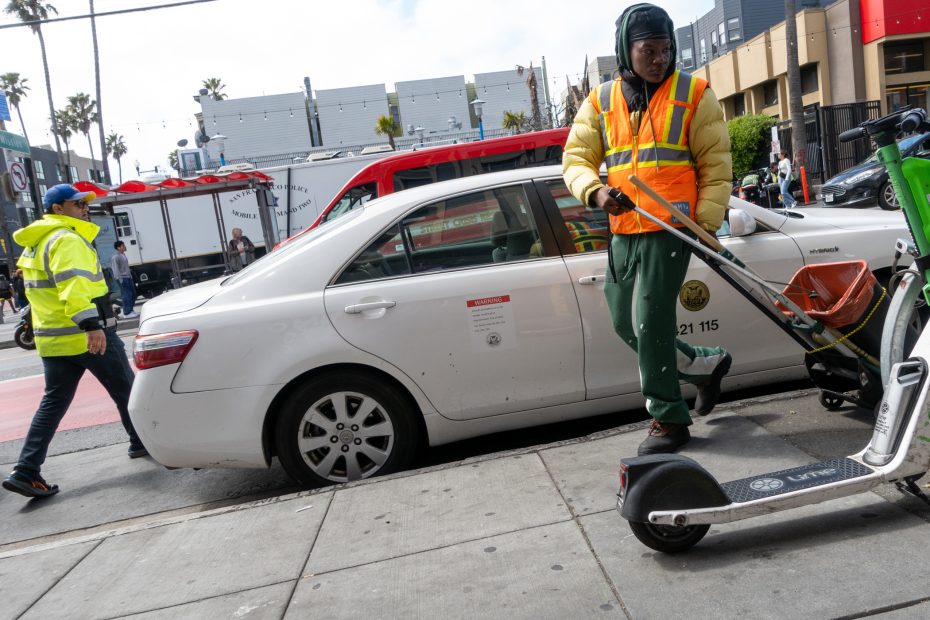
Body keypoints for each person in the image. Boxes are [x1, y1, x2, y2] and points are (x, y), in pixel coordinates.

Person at [562, 3, 733, 455]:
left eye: (666, 49)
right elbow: (576, 159)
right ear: (625, 50)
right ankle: (705, 365)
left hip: (670, 229)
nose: (659, 58)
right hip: (624, 229)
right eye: (648, 50)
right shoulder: (600, 101)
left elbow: (716, 168)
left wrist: (705, 225)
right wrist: (595, 193)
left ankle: (668, 418)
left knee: (651, 320)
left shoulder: (695, 94)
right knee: (625, 322)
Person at [2, 184, 147, 500]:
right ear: (58, 208)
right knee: (127, 390)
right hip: (86, 336)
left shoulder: (36, 243)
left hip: (54, 340)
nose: (85, 208)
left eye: (86, 204)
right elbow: (72, 286)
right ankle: (143, 441)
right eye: (77, 203)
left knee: (53, 404)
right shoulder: (66, 239)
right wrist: (91, 325)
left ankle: (26, 470)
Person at [110, 241, 138, 319]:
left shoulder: (123, 255)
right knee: (127, 295)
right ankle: (127, 312)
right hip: (122, 278)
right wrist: (120, 279)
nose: (125, 246)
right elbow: (115, 269)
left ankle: (130, 310)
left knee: (133, 294)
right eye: (123, 245)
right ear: (118, 247)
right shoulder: (116, 257)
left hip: (128, 277)